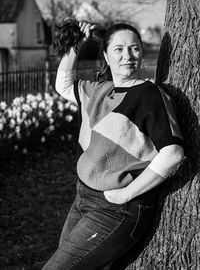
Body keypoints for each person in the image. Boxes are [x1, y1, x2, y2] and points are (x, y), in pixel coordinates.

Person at [42, 19, 184, 270]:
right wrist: (75, 47)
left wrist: (125, 194)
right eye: (118, 49)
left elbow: (173, 154)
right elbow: (63, 86)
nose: (128, 56)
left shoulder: (150, 95)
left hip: (118, 210)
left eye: (134, 48)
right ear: (106, 56)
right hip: (83, 198)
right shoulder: (99, 90)